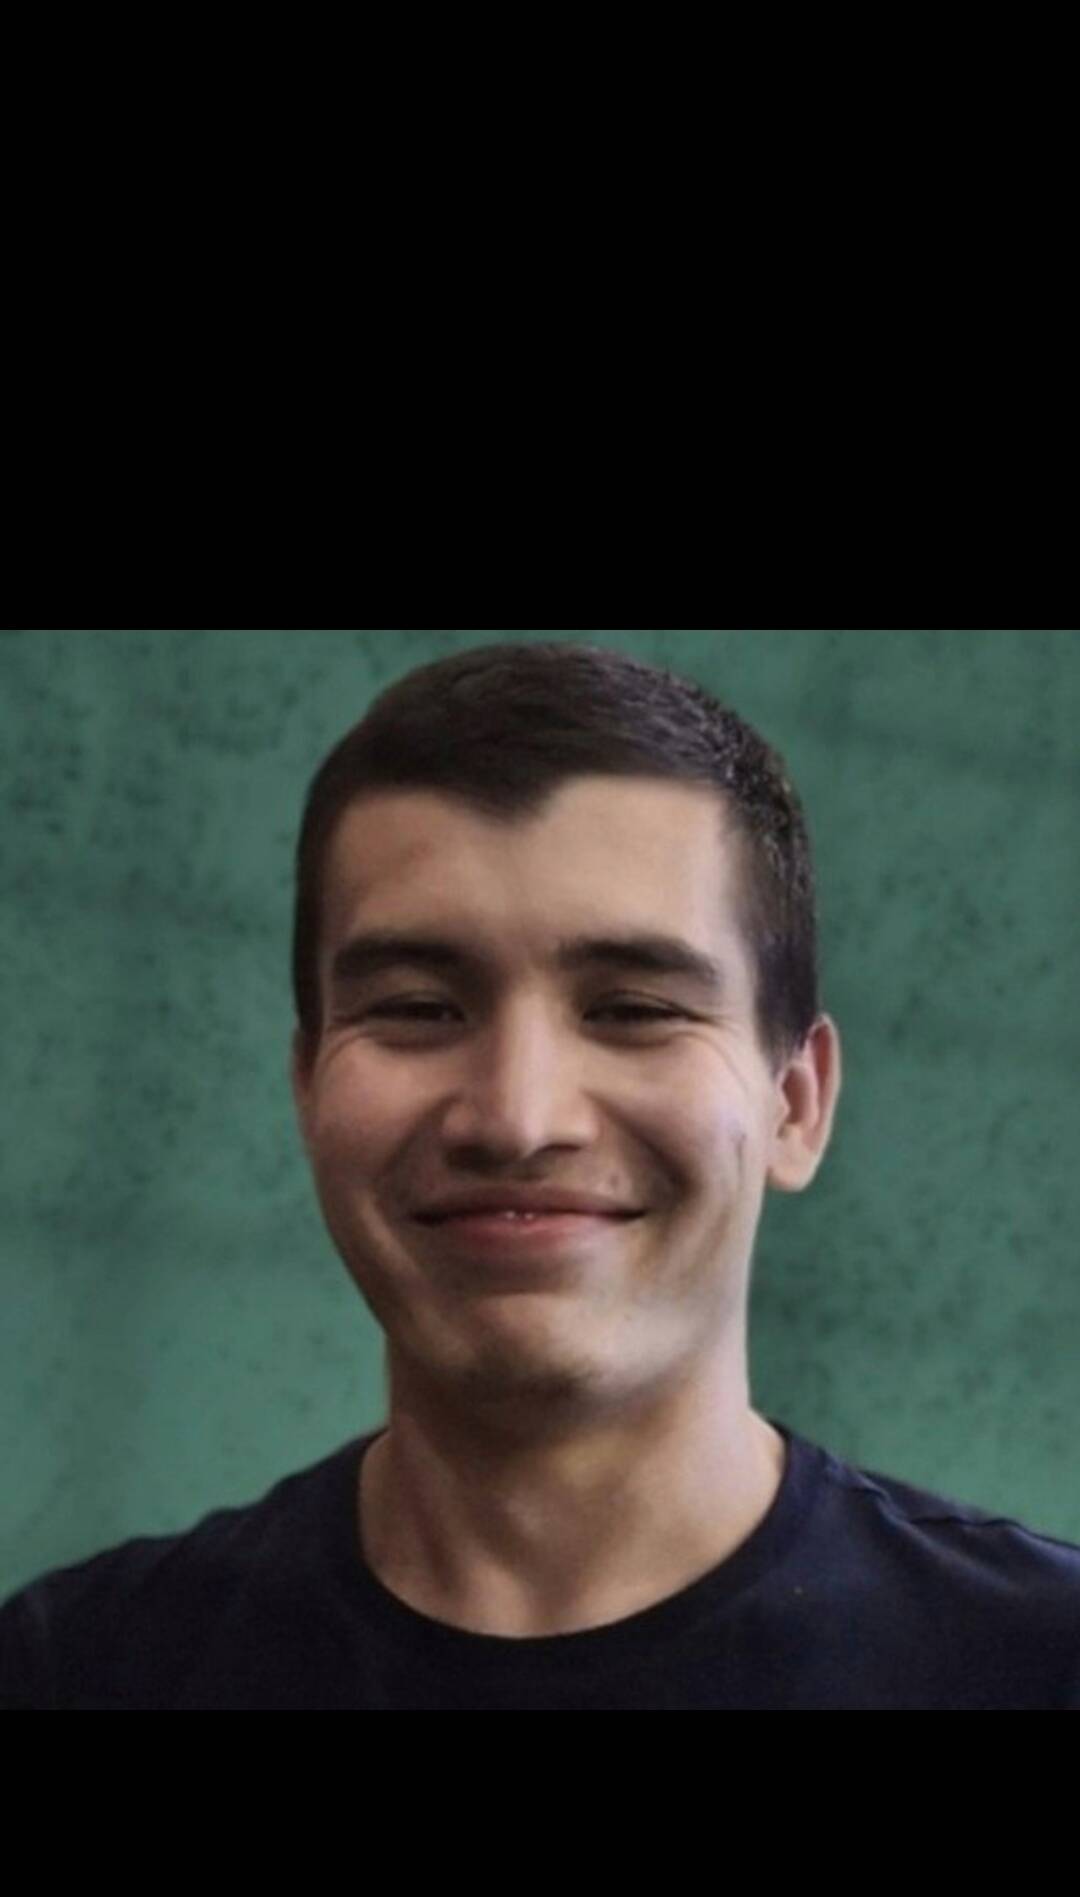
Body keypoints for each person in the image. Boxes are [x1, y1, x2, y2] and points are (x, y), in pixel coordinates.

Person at [3, 639, 1079, 1710]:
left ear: (795, 1103)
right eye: (419, 1008)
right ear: (307, 1087)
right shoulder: (74, 1672)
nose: (517, 1120)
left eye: (633, 1010)